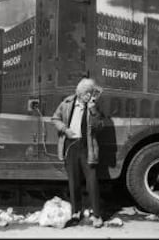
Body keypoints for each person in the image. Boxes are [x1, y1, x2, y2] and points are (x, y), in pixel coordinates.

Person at [51, 78, 104, 228]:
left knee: (92, 182)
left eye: (91, 92)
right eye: (87, 93)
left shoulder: (94, 107)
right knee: (73, 181)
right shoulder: (67, 103)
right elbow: (55, 118)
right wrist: (65, 130)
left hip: (87, 147)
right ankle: (76, 212)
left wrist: (93, 110)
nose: (89, 95)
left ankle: (97, 215)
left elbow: (99, 127)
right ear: (80, 93)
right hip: (70, 145)